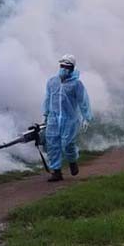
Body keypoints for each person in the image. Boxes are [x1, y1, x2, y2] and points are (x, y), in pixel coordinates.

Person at [42, 54, 92, 182]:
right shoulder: (52, 82)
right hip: (53, 119)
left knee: (67, 144)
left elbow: (83, 101)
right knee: (52, 144)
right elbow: (48, 99)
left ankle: (72, 160)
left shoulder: (76, 84)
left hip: (69, 119)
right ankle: (56, 172)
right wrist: (46, 115)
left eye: (66, 66)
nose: (63, 68)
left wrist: (86, 117)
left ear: (72, 68)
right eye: (62, 66)